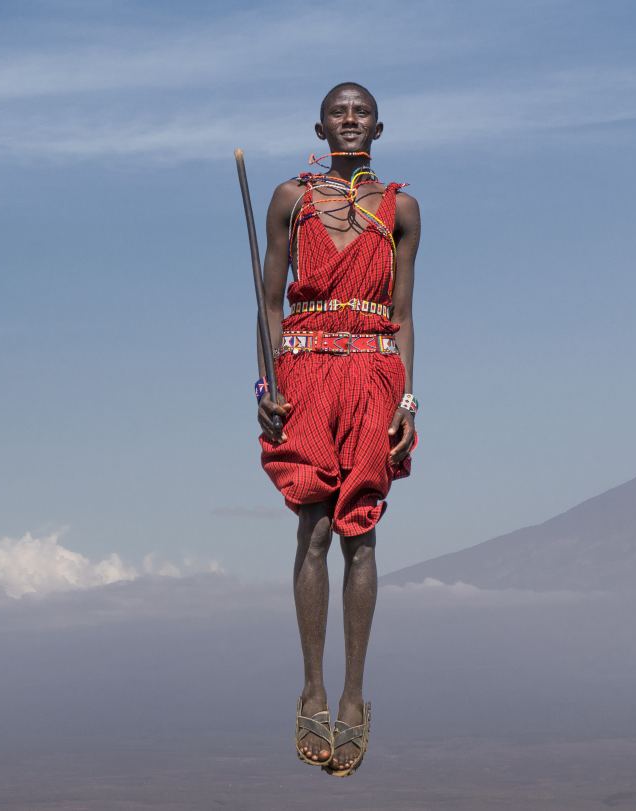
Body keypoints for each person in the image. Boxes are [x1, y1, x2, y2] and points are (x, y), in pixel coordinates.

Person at [254, 81, 420, 776]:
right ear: (319, 127)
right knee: (314, 527)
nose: (349, 121)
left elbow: (405, 311)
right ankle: (312, 686)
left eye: (361, 113)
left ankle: (353, 693)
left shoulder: (402, 209)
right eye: (337, 113)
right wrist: (266, 383)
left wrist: (406, 400)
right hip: (307, 367)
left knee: (362, 528)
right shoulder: (290, 201)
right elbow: (267, 302)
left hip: (373, 369)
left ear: (378, 129)